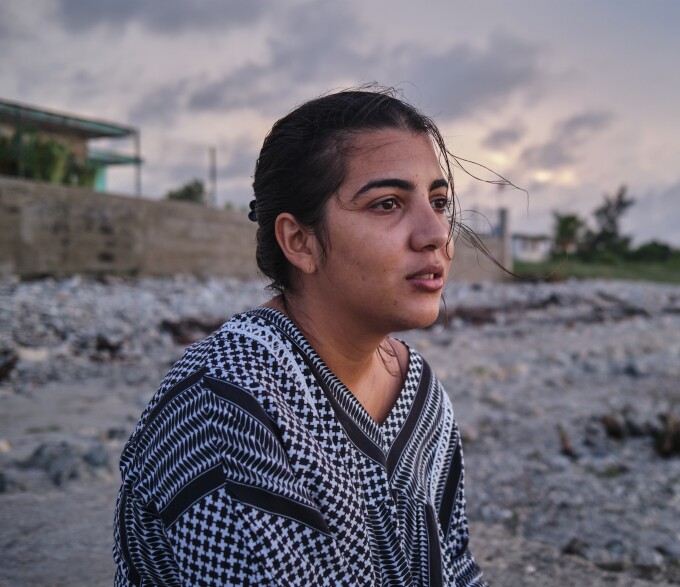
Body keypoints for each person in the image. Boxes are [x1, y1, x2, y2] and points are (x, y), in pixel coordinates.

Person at [113, 87, 488, 586]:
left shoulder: (419, 392)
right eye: (386, 204)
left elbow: (455, 566)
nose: (435, 233)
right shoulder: (229, 399)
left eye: (438, 201)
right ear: (299, 241)